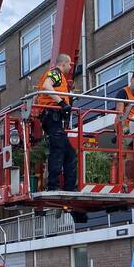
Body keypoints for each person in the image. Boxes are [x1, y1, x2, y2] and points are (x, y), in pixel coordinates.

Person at [35, 53, 77, 191]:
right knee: (58, 150)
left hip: (53, 118)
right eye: (69, 64)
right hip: (52, 116)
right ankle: (53, 186)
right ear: (63, 63)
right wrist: (62, 102)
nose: (71, 67)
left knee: (68, 153)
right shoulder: (56, 73)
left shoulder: (61, 78)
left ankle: (69, 188)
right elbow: (47, 86)